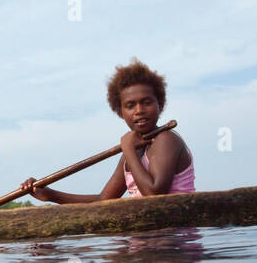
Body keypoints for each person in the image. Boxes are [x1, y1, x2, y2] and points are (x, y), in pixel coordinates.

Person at [21, 59, 195, 203]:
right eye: (130, 105)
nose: (139, 110)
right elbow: (104, 200)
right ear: (120, 112)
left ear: (160, 105)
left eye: (146, 102)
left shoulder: (166, 140)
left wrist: (128, 150)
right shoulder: (133, 149)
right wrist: (50, 195)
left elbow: (155, 195)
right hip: (148, 241)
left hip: (176, 240)